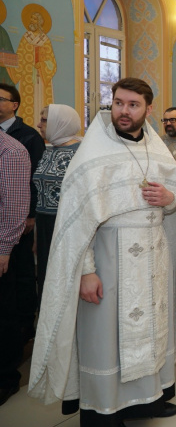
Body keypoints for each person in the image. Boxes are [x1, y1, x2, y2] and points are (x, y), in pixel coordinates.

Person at [28, 78, 176, 425]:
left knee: (151, 330)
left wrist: (170, 200)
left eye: (133, 105)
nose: (124, 111)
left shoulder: (157, 149)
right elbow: (77, 221)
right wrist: (86, 271)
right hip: (108, 261)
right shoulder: (94, 152)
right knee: (105, 340)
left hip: (152, 260)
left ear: (148, 109)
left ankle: (147, 399)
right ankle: (104, 410)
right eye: (118, 103)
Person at [0, 83, 45, 344]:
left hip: (21, 215)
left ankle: (25, 325)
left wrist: (30, 216)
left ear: (14, 105)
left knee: (22, 273)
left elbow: (33, 180)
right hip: (8, 215)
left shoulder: (26, 136)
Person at [32, 105, 82, 303]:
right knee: (46, 278)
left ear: (61, 123)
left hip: (67, 225)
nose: (38, 124)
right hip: (44, 225)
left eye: (44, 120)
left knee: (64, 280)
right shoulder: (49, 149)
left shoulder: (79, 153)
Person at [0, 130, 30, 407]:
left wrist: (4, 248)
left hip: (1, 247)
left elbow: (14, 206)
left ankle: (6, 378)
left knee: (2, 315)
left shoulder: (11, 151)